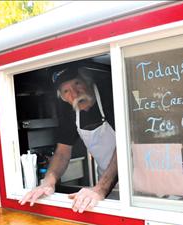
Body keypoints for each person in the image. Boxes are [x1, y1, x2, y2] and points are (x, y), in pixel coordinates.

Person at [19, 64, 117, 213]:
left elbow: (127, 144)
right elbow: (62, 152)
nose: (75, 93)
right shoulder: (70, 112)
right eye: (66, 90)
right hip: (107, 184)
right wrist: (48, 182)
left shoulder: (110, 95)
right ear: (63, 98)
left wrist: (100, 188)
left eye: (77, 83)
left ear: (87, 82)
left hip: (138, 183)